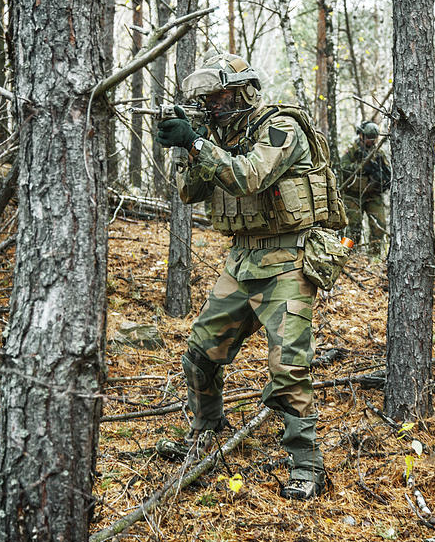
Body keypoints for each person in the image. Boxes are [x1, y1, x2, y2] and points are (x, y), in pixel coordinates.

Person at [155, 52, 343, 500]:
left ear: (241, 92)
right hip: (241, 261)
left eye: (217, 97)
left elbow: (250, 177)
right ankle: (206, 432)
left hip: (289, 261)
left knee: (289, 367)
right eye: (206, 99)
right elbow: (189, 192)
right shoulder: (218, 136)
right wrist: (188, 144)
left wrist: (200, 144)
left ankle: (306, 462)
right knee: (200, 352)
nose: (212, 106)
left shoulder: (280, 127)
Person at [338, 121, 390, 256]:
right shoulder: (352, 150)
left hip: (373, 195)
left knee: (380, 225)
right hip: (352, 195)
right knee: (353, 227)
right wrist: (360, 168)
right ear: (361, 135)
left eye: (374, 139)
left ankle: (374, 256)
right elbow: (343, 167)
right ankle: (347, 254)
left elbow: (387, 172)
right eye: (368, 138)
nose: (371, 141)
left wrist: (382, 176)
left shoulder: (379, 153)